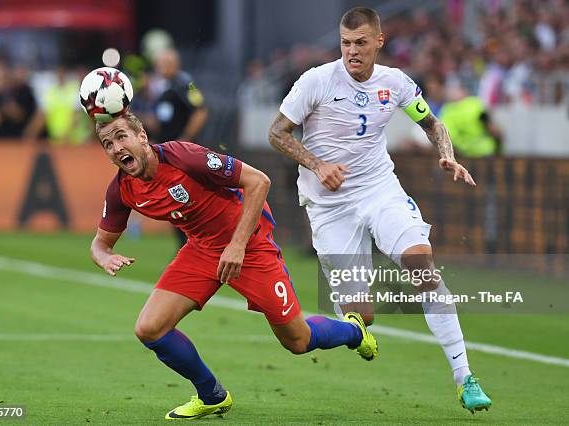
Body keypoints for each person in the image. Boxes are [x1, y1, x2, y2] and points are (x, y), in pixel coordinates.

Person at [268, 7, 492, 413]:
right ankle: (354, 327)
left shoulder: (396, 83)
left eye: (360, 43)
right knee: (361, 316)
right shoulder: (316, 81)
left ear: (379, 42)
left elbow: (434, 124)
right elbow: (277, 133)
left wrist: (446, 155)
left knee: (422, 267)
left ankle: (465, 378)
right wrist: (318, 165)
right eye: (345, 43)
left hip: (379, 190)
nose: (352, 52)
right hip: (330, 205)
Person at [90, 111, 377, 420]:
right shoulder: (122, 189)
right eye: (108, 143)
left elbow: (258, 182)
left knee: (297, 340)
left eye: (122, 137)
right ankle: (212, 395)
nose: (117, 148)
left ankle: (354, 331)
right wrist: (105, 256)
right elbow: (99, 243)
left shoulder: (184, 156)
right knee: (149, 329)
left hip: (250, 246)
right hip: (201, 250)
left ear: (142, 137)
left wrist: (237, 245)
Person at [145, 47, 209, 247]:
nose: (160, 67)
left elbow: (201, 111)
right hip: (166, 155)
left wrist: (186, 140)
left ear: (175, 64)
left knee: (183, 199)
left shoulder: (185, 85)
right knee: (173, 201)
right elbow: (161, 121)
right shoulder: (164, 88)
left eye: (164, 64)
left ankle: (193, 246)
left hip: (180, 156)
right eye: (159, 64)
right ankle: (185, 247)